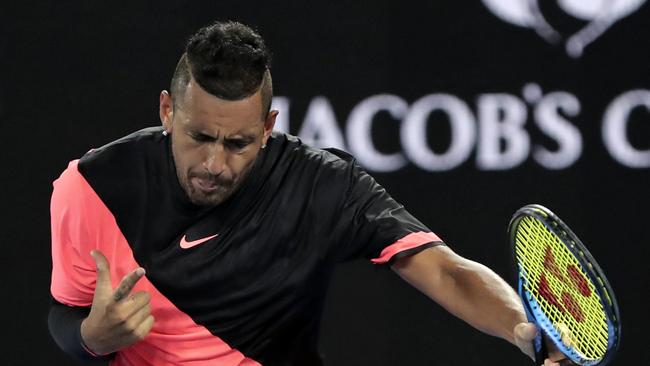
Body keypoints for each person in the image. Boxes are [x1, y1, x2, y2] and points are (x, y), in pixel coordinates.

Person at [48, 20, 570, 366]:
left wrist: (522, 328)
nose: (214, 163)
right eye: (199, 137)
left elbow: (447, 271)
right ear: (167, 111)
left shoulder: (321, 185)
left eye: (238, 143)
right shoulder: (92, 188)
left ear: (269, 125)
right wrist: (93, 337)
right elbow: (65, 315)